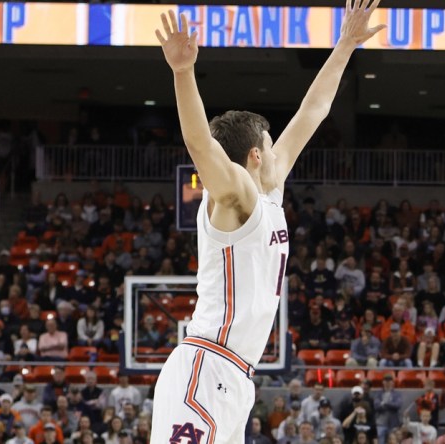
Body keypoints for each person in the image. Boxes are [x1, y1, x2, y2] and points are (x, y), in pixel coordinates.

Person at [150, 3, 386, 442]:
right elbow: (201, 146)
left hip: (235, 376)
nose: (281, 148)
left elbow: (311, 112)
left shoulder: (269, 191)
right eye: (271, 144)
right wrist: (183, 73)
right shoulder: (236, 195)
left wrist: (346, 45)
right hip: (205, 364)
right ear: (256, 155)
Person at [373, 373, 402, 444]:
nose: (388, 383)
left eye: (389, 381)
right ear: (383, 382)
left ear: (392, 382)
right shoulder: (378, 394)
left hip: (393, 423)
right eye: (386, 381)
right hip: (381, 423)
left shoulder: (397, 394)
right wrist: (390, 404)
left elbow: (397, 405)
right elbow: (376, 406)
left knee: (393, 441)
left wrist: (385, 403)